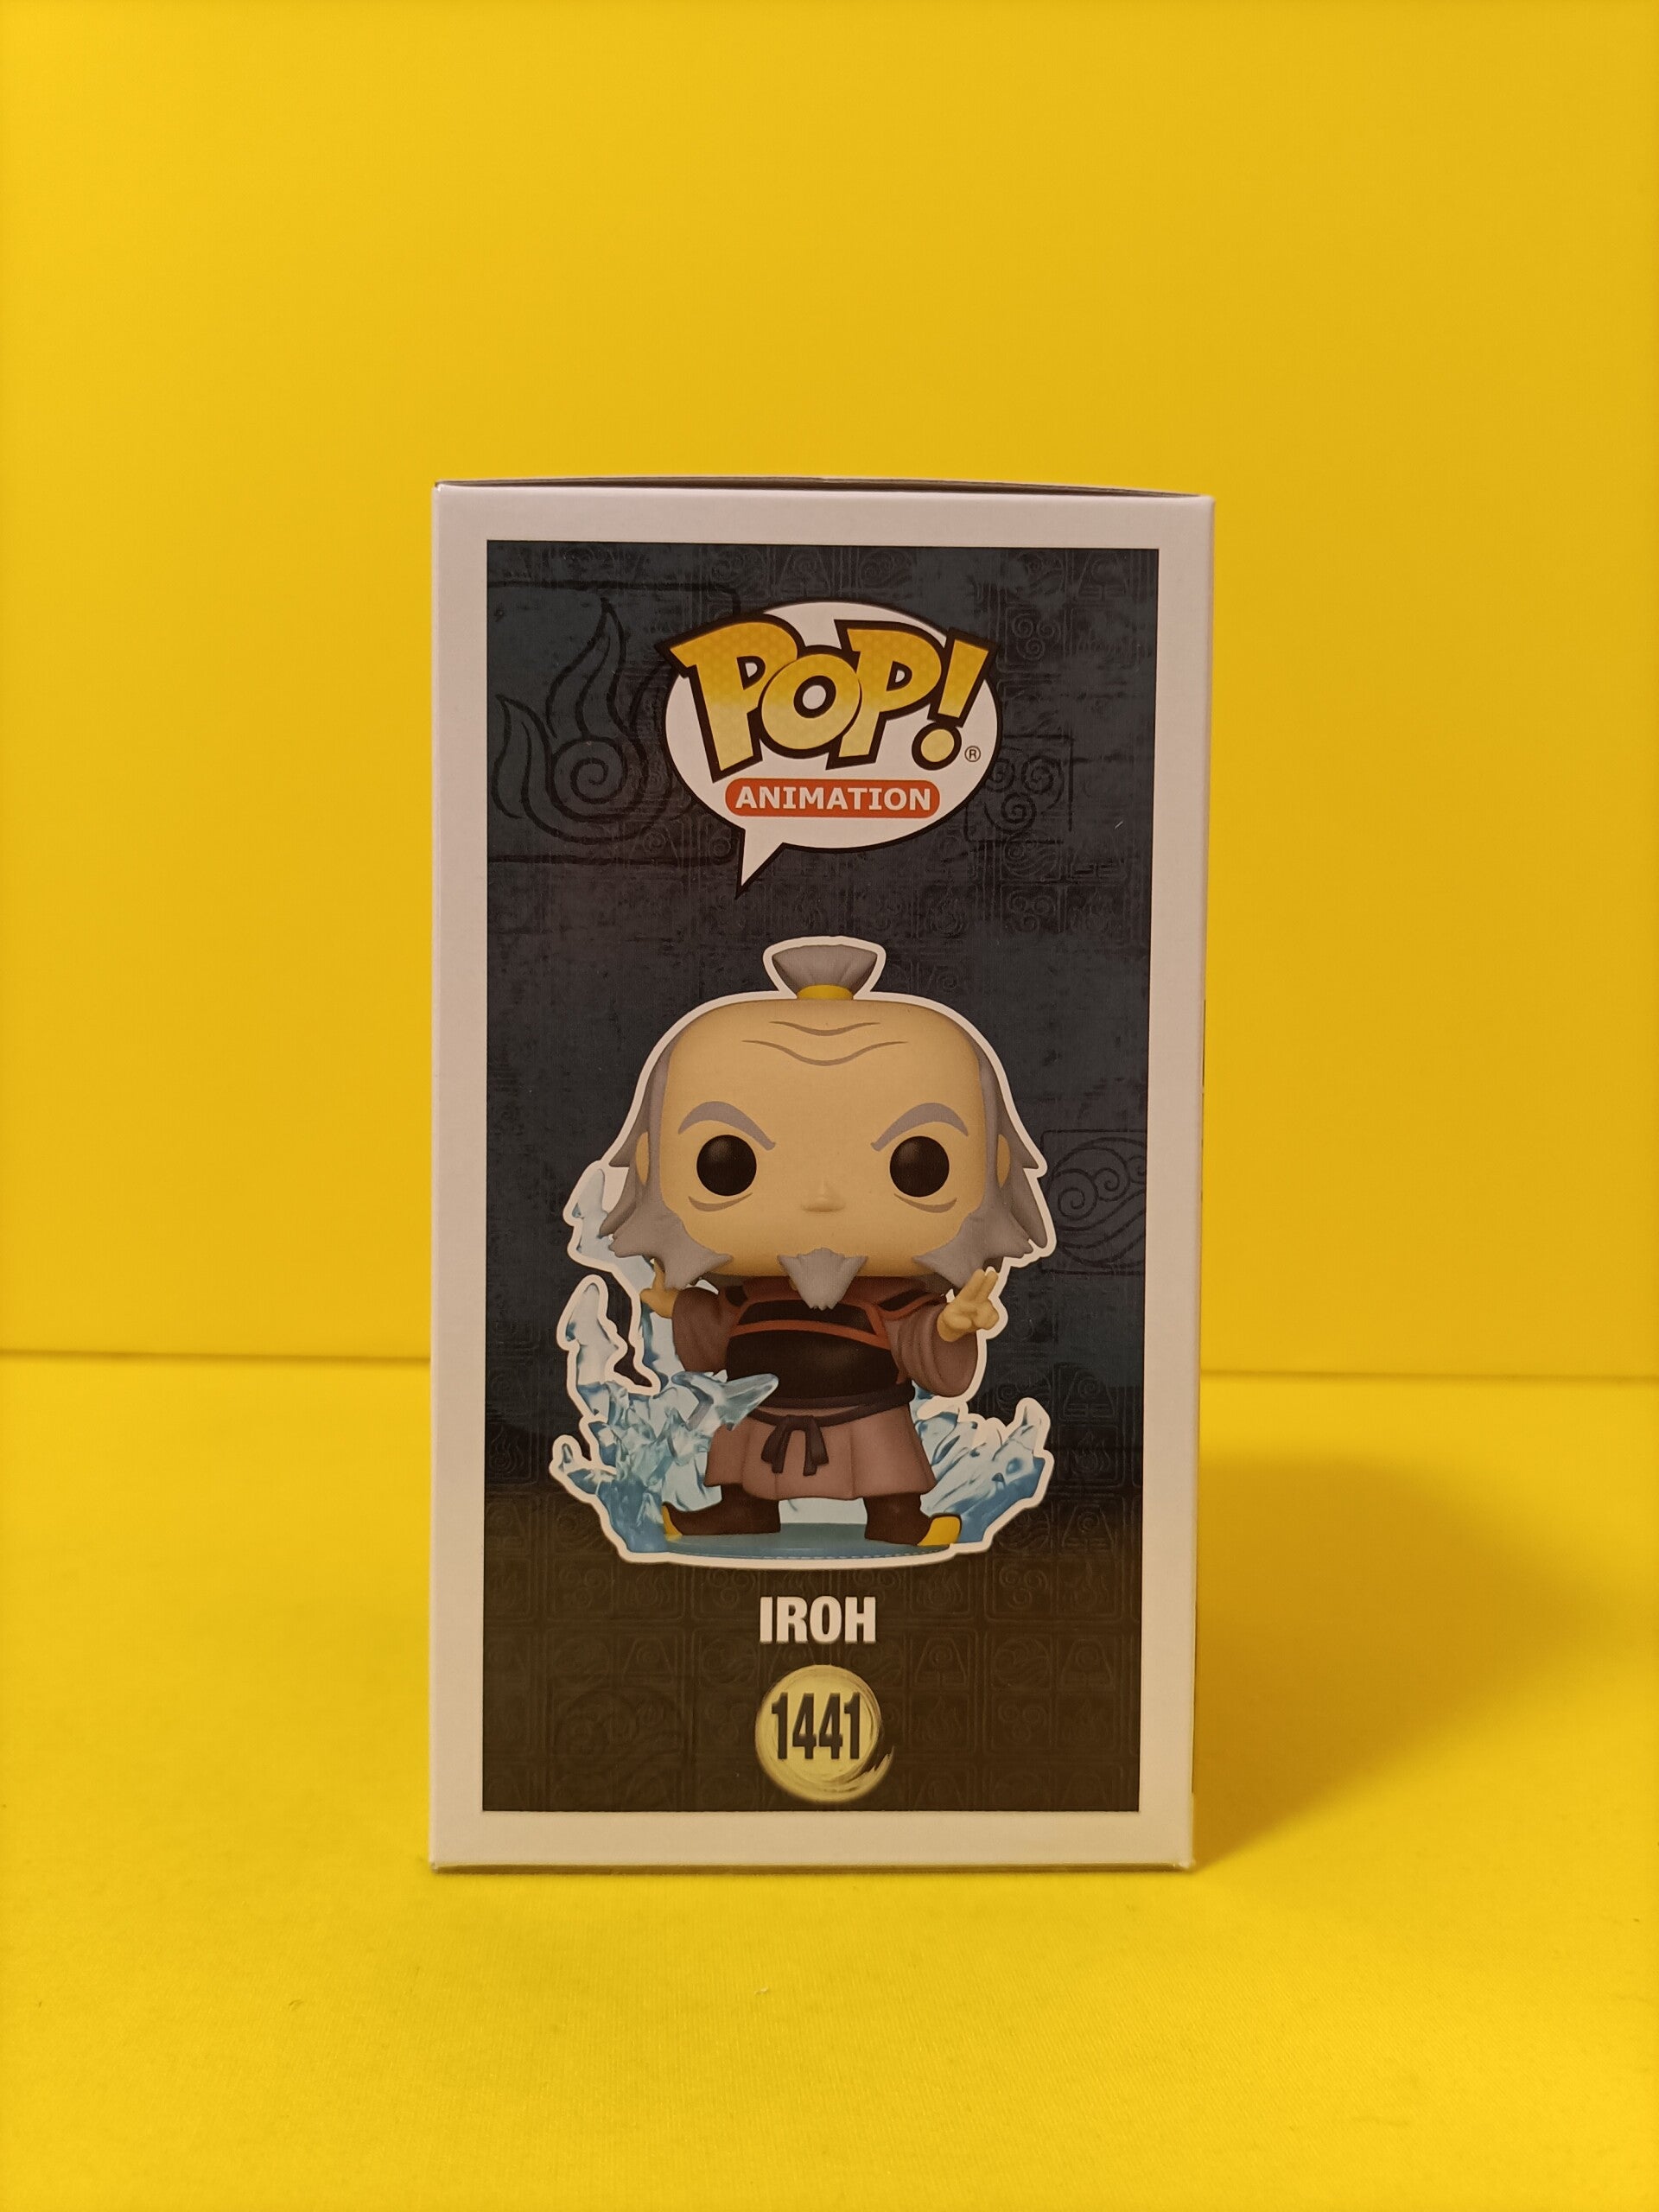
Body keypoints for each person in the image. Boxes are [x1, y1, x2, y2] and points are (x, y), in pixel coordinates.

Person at [598, 937, 1052, 1548]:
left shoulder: (891, 1298)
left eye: (917, 1164)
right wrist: (681, 1307)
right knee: (739, 1452)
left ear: (993, 1163)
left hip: (868, 1409)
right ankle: (742, 1507)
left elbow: (916, 1339)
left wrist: (948, 1327)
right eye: (725, 1163)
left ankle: (896, 1514)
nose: (820, 1197)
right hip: (758, 1411)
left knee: (885, 1463)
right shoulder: (751, 1295)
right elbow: (716, 1334)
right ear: (651, 1160)